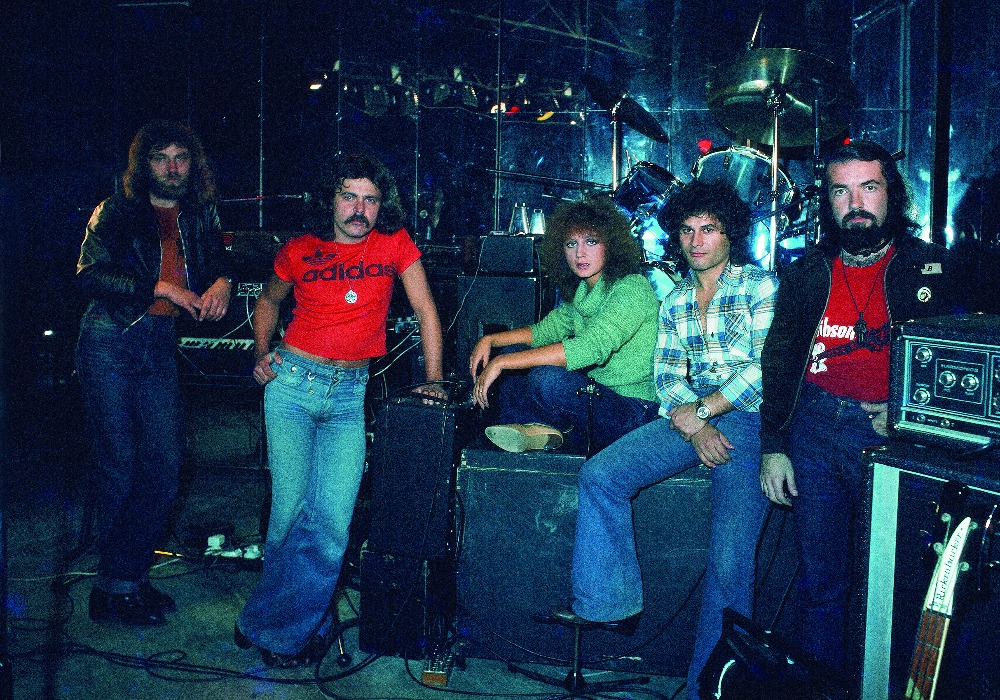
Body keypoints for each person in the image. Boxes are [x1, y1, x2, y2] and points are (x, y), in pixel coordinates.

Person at [550, 180, 777, 700]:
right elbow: (667, 376)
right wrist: (693, 422)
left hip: (747, 420)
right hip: (688, 417)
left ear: (730, 234)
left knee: (729, 564)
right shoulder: (674, 299)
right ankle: (609, 605)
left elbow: (764, 370)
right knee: (600, 474)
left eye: (709, 229)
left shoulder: (759, 285)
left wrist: (704, 412)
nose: (696, 240)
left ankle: (707, 690)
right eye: (687, 230)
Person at [759, 140, 964, 674]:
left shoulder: (930, 268)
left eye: (868, 187)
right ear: (827, 201)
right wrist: (773, 446)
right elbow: (778, 360)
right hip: (815, 428)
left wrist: (906, 414)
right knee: (821, 583)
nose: (855, 203)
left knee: (895, 584)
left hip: (894, 440)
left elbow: (961, 362)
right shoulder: (807, 271)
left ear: (891, 194)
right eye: (840, 191)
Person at [235, 153, 447, 667]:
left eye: (370, 199)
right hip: (292, 386)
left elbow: (426, 310)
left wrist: (434, 379)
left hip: (349, 397)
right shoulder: (299, 250)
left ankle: (270, 625)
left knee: (331, 524)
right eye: (349, 196)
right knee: (289, 515)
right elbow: (268, 301)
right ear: (330, 200)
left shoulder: (395, 244)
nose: (359, 209)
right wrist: (262, 351)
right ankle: (282, 626)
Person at [76, 120, 233, 625]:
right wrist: (160, 287)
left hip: (158, 343)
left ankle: (128, 576)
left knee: (165, 465)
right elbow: (89, 272)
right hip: (111, 339)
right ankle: (114, 588)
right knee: (120, 465)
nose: (171, 167)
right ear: (144, 164)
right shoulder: (117, 210)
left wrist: (223, 281)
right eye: (160, 157)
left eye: (180, 157)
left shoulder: (201, 213)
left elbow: (219, 260)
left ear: (192, 163)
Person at [470, 195, 660, 454]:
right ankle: (533, 430)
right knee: (513, 354)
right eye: (571, 244)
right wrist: (490, 341)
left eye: (591, 242)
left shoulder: (633, 288)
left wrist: (501, 363)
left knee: (546, 378)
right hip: (595, 401)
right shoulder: (583, 292)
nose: (580, 253)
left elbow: (589, 347)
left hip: (635, 412)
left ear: (611, 245)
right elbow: (542, 332)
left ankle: (545, 429)